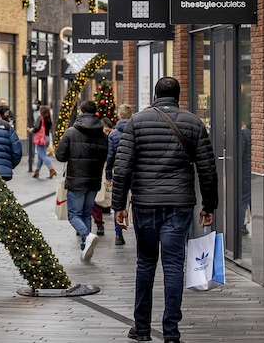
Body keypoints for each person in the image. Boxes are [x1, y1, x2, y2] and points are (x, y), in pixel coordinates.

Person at [112, 77, 218, 343]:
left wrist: (119, 205)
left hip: (145, 204)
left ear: (155, 96)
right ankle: (171, 332)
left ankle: (142, 328)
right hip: (179, 204)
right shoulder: (193, 123)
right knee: (173, 265)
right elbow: (207, 169)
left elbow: (122, 167)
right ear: (178, 96)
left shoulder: (136, 122)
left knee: (145, 263)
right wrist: (209, 205)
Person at [55, 100, 109, 262]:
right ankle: (85, 246)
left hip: (76, 179)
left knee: (74, 215)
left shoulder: (71, 132)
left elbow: (60, 155)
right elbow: (105, 155)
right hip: (94, 180)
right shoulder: (102, 134)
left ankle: (87, 235)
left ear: (81, 111)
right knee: (86, 213)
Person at [105, 104, 133, 245]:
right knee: (136, 202)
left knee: (119, 202)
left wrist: (108, 175)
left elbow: (110, 157)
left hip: (119, 172)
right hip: (134, 172)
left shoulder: (113, 134)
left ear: (119, 116)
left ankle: (118, 234)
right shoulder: (135, 131)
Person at [29, 105, 55, 179]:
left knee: (43, 155)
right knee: (40, 156)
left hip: (41, 139)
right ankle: (37, 172)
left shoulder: (40, 118)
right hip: (47, 138)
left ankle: (51, 169)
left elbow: (36, 127)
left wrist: (31, 130)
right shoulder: (49, 119)